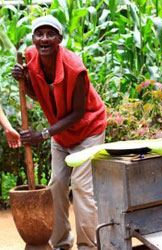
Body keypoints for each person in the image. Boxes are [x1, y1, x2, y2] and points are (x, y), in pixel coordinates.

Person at [12, 15, 107, 250]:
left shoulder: (75, 68)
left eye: (50, 34)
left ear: (59, 39)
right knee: (56, 184)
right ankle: (62, 242)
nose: (44, 39)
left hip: (88, 130)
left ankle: (88, 245)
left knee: (82, 187)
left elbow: (77, 113)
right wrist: (25, 81)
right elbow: (41, 94)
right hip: (60, 133)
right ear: (33, 39)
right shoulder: (31, 58)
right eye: (39, 34)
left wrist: (42, 134)